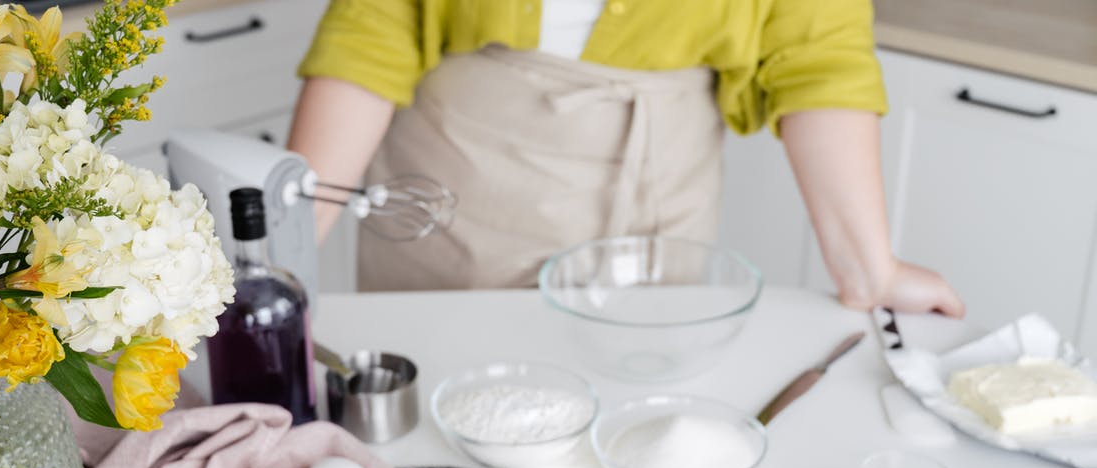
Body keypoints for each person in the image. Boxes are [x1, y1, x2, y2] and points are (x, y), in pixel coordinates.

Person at [286, 0, 965, 318]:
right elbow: (373, 28)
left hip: (653, 203)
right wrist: (279, 257)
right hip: (456, 188)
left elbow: (820, 58)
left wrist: (870, 269)